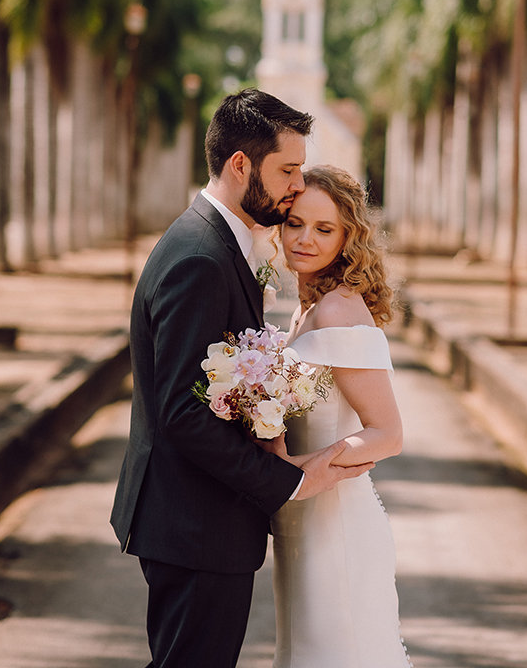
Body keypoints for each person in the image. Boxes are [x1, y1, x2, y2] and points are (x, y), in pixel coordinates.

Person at [110, 90, 375, 668]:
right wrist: (286, 482)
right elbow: (182, 411)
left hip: (200, 522)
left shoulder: (218, 243)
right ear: (240, 165)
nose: (295, 184)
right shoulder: (200, 259)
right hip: (194, 522)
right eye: (287, 169)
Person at [264, 164, 413, 668]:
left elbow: (387, 435)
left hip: (337, 523)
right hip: (300, 518)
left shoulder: (338, 309)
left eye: (324, 229)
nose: (305, 239)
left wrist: (304, 471)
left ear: (348, 237)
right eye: (295, 223)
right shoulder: (307, 307)